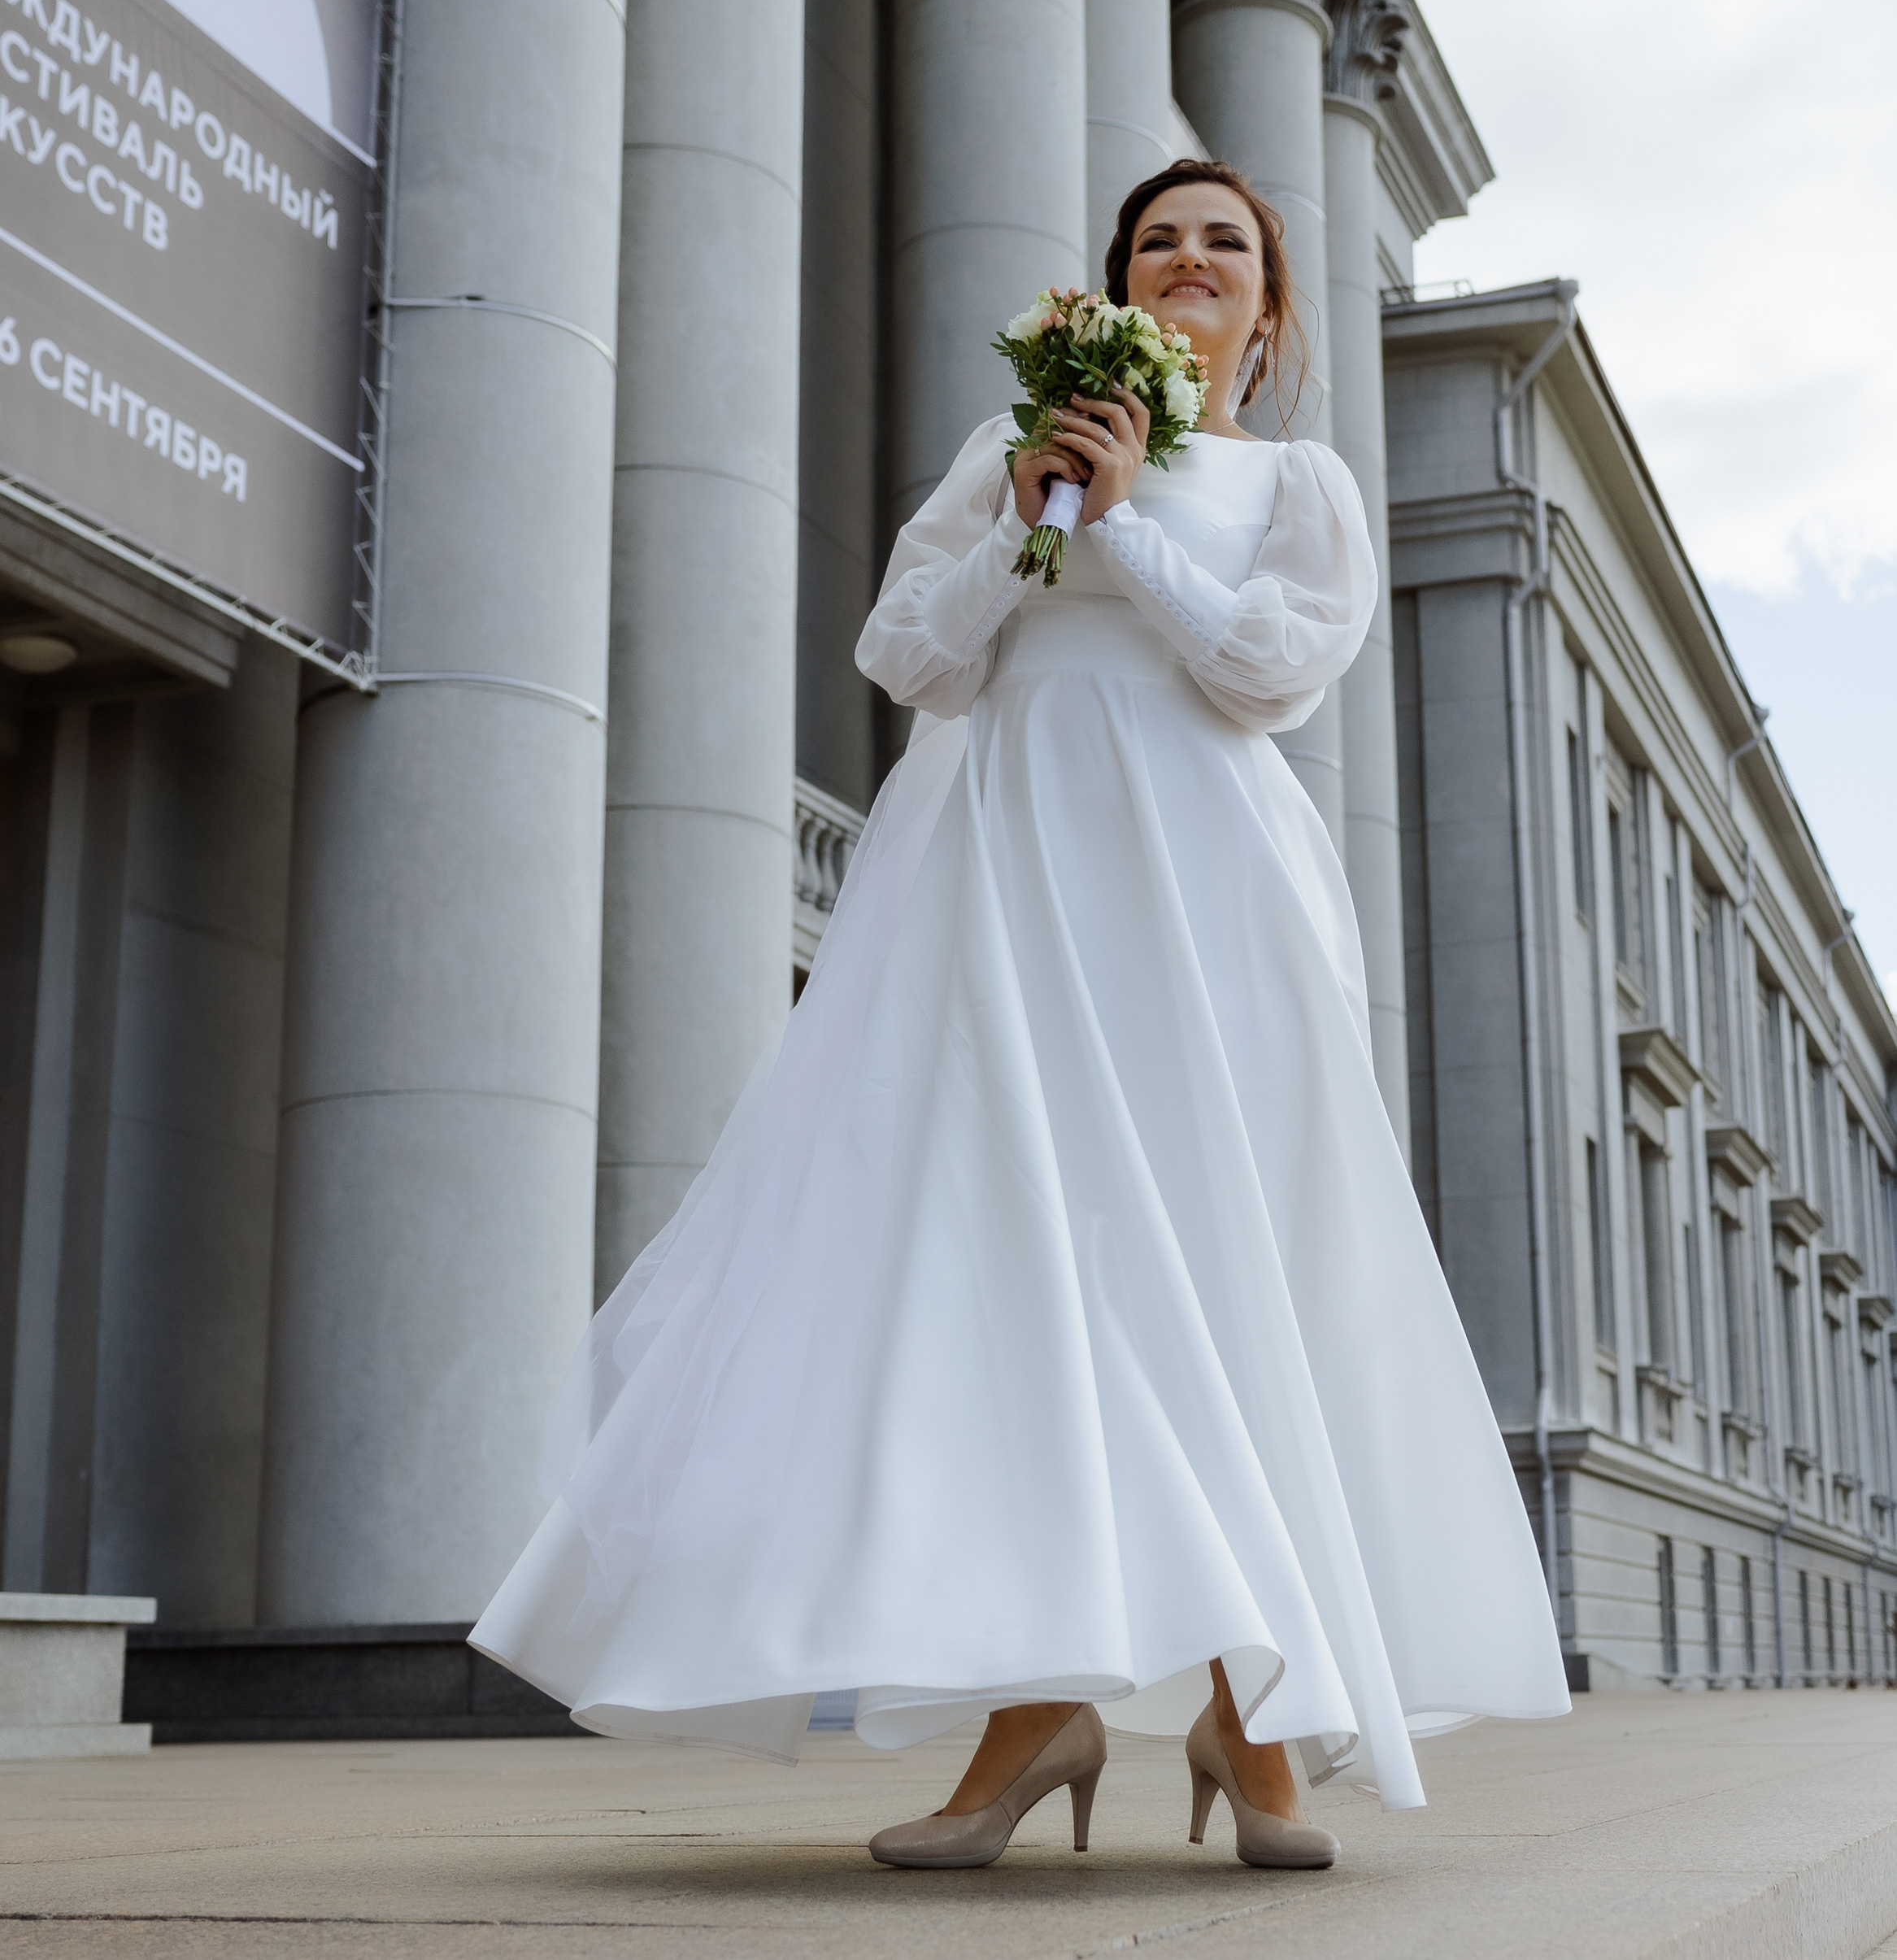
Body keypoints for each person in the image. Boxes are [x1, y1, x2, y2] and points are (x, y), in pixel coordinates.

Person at [472, 158, 1569, 1872]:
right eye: (1158, 241)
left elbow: (1269, 673)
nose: (1190, 258)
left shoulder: (1298, 481)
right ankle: (1035, 1709)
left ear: (1268, 310)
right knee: (1027, 1277)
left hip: (1208, 899)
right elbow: (911, 654)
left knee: (1218, 1271)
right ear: (1115, 288)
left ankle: (1252, 1710)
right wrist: (1039, 510)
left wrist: (1126, 523)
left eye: (1226, 244)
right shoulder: (1008, 454)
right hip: (1003, 879)